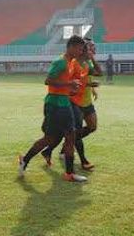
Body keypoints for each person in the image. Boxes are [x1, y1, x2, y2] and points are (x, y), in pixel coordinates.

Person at [18, 35, 88, 183]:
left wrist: (71, 85)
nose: (81, 52)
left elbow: (63, 82)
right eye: (80, 49)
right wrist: (69, 84)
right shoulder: (60, 62)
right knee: (70, 137)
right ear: (72, 47)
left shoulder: (71, 62)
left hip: (60, 103)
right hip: (57, 105)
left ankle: (25, 159)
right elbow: (48, 80)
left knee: (50, 138)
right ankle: (69, 173)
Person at [41, 39, 102, 171]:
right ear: (83, 49)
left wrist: (90, 86)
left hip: (86, 101)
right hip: (73, 102)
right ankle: (83, 160)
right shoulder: (72, 63)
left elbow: (97, 73)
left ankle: (59, 146)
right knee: (74, 131)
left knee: (91, 127)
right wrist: (70, 88)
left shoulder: (86, 63)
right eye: (91, 48)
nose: (94, 50)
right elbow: (66, 81)